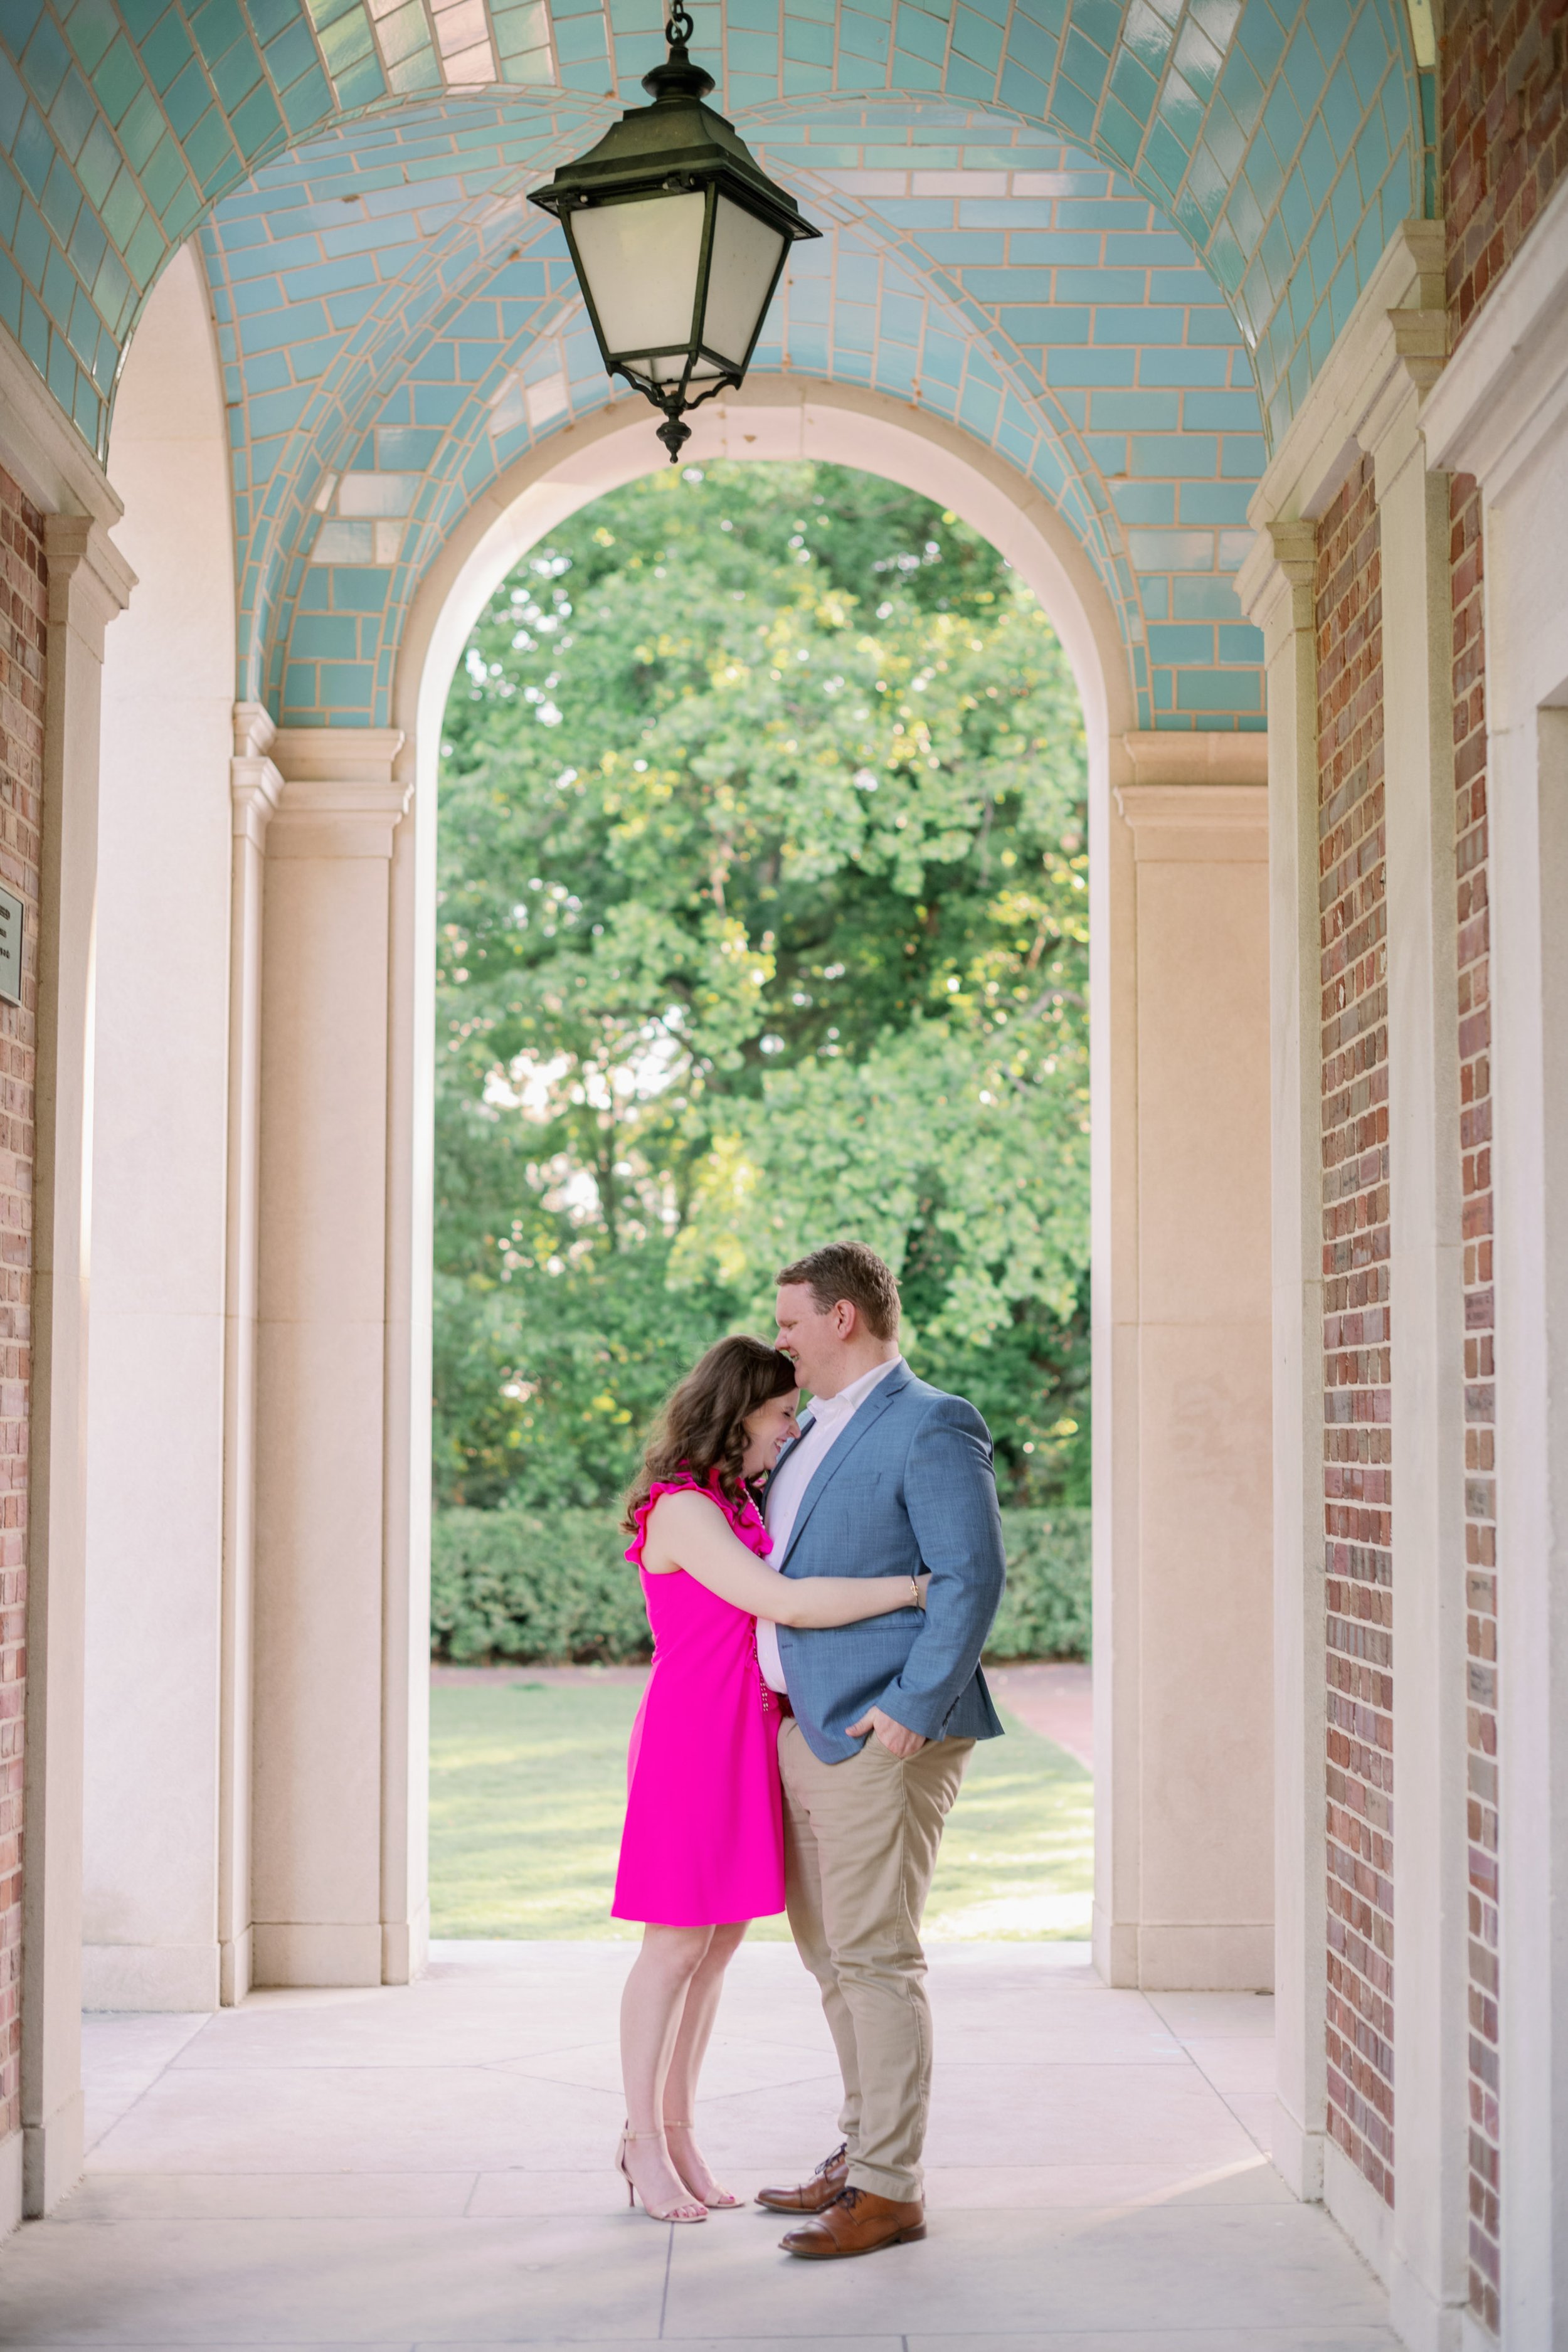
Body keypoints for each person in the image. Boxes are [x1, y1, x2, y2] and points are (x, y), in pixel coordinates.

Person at [611, 1333, 933, 2226]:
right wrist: (913, 1590)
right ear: (737, 1412)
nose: (790, 1431)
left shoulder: (735, 1495)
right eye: (780, 1415)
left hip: (745, 1732)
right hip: (692, 1739)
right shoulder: (681, 1507)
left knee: (714, 1952)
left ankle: (677, 2131)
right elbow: (783, 1601)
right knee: (673, 1948)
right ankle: (640, 2140)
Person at [753, 1241, 1006, 2260]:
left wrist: (911, 1704)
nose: (783, 1341)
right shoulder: (809, 1425)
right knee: (831, 1956)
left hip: (882, 1731)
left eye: (792, 1322)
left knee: (875, 1957)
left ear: (844, 1316)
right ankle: (862, 2156)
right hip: (803, 1723)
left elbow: (970, 1575)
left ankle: (891, 2189)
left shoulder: (933, 1421)